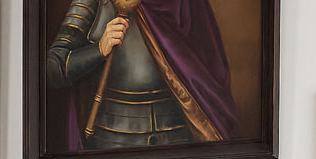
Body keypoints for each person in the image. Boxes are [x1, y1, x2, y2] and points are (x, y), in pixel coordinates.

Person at [46, 0, 238, 150]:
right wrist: (99, 49)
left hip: (178, 139)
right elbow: (53, 68)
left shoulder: (186, 4)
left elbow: (210, 72)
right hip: (111, 139)